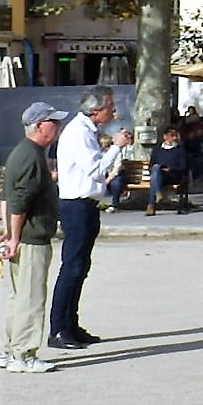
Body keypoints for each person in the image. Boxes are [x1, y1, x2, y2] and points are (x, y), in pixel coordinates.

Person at [50, 85, 131, 349]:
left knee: (80, 267)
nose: (114, 111)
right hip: (76, 204)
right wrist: (116, 148)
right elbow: (95, 170)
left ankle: (71, 324)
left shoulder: (87, 130)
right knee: (72, 267)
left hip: (86, 203)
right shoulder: (78, 132)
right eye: (110, 106)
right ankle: (58, 328)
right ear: (96, 110)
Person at [0, 102, 68, 373]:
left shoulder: (23, 153)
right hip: (31, 239)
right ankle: (24, 355)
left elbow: (7, 197)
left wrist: (7, 232)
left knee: (17, 297)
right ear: (39, 126)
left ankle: (8, 350)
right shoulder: (31, 155)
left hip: (22, 236)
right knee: (31, 298)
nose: (58, 127)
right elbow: (20, 201)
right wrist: (14, 237)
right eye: (54, 122)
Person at [147, 125, 190, 216]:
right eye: (172, 135)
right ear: (165, 136)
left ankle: (151, 204)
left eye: (175, 135)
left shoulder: (179, 150)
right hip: (160, 175)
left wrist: (171, 169)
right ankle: (158, 194)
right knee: (156, 169)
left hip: (173, 176)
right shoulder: (157, 149)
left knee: (154, 178)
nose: (174, 138)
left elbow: (183, 167)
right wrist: (158, 169)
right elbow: (151, 165)